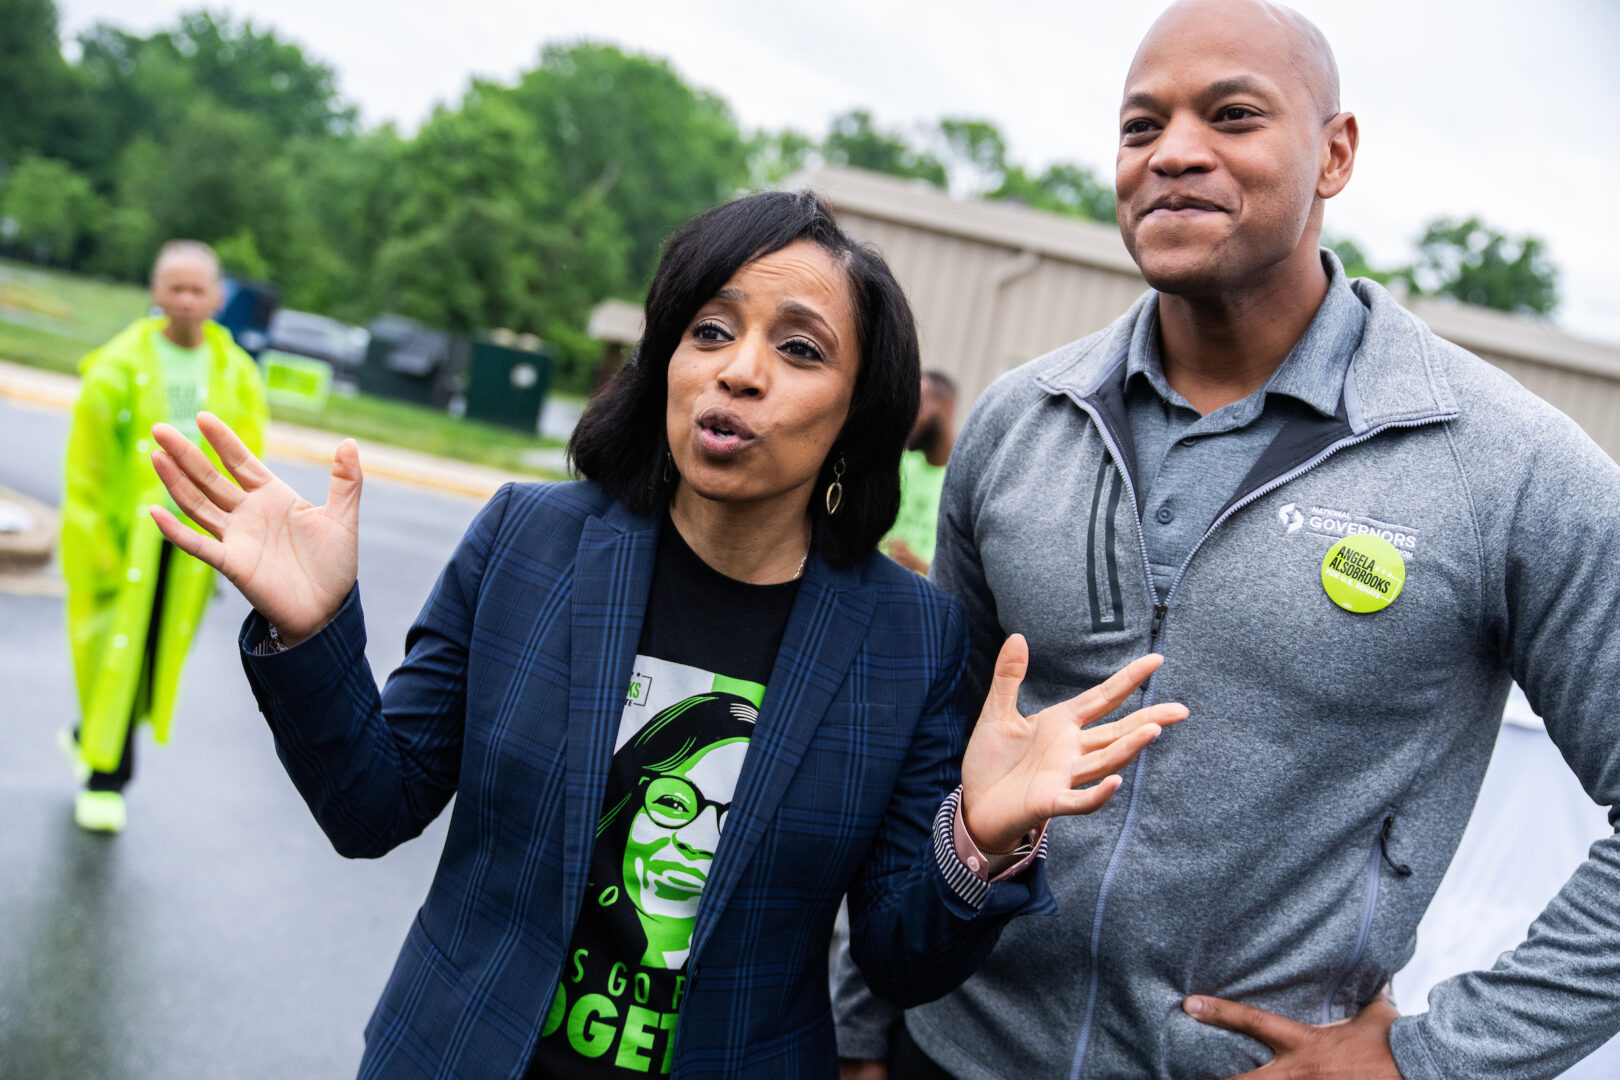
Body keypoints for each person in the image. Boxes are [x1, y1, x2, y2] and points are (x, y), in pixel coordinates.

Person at [145, 191, 1187, 1078]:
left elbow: (902, 958)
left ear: (855, 414)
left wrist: (980, 841)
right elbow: (372, 804)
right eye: (711, 330)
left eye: (799, 349)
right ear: (669, 359)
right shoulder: (528, 541)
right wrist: (315, 626)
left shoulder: (908, 640)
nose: (739, 371)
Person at [834, 2, 1620, 1078]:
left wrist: (1437, 1059)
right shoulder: (1021, 423)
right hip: (951, 1052)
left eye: (1234, 116)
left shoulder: (1506, 469)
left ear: (1335, 154)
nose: (1176, 153)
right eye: (1140, 126)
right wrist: (862, 1028)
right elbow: (921, 757)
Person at [58, 239, 267, 834]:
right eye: (173, 287)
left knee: (150, 657)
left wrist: (236, 536)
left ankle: (89, 735)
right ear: (154, 291)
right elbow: (88, 465)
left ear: (218, 297)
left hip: (190, 543)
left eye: (197, 289)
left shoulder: (236, 373)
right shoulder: (117, 367)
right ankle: (106, 776)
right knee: (116, 650)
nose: (184, 300)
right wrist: (95, 539)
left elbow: (247, 460)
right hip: (130, 542)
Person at [882, 371, 957, 575]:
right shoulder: (901, 464)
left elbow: (964, 580)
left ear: (944, 409)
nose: (909, 415)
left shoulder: (962, 483)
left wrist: (917, 564)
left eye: (918, 404)